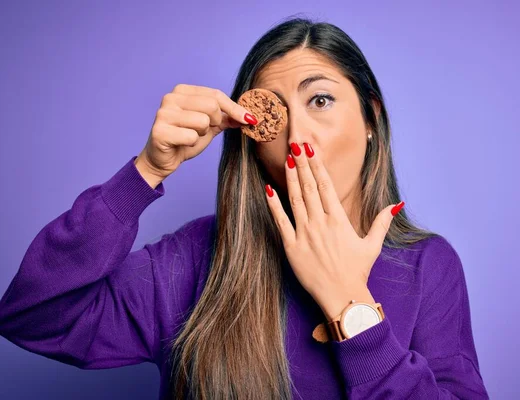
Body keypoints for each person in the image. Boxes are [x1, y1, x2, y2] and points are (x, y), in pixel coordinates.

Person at [0, 18, 489, 400]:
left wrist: (350, 306)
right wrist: (145, 171)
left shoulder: (428, 266)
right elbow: (34, 316)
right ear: (253, 140)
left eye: (320, 100)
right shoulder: (195, 259)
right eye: (273, 115)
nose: (299, 138)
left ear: (370, 118)